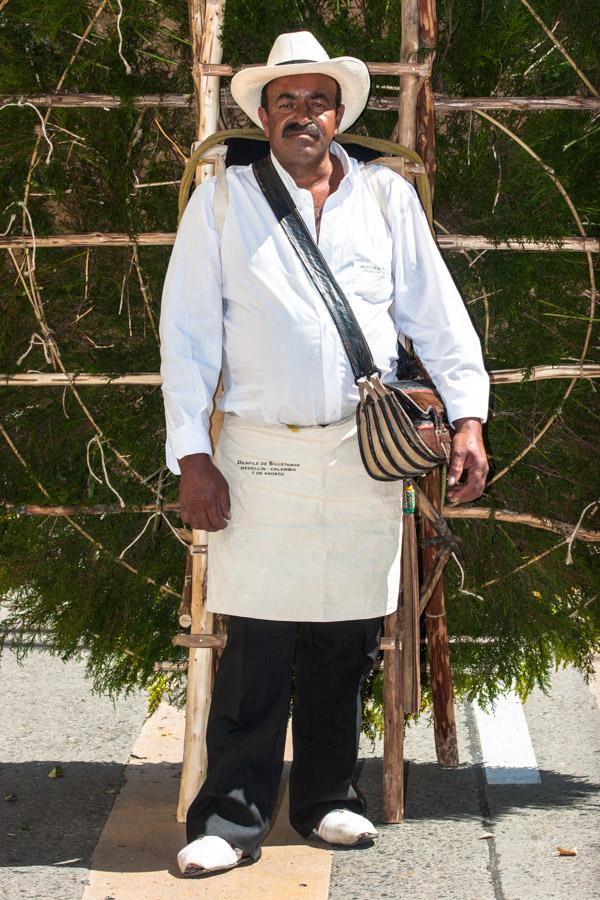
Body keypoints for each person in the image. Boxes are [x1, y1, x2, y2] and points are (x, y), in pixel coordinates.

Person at [159, 31, 489, 878]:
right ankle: (229, 820)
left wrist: (470, 417)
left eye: (317, 102)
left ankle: (328, 801)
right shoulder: (224, 201)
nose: (302, 116)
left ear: (339, 113)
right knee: (260, 642)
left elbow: (437, 316)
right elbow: (188, 337)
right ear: (263, 116)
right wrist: (193, 456)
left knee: (345, 638)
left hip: (360, 456)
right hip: (260, 455)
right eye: (285, 103)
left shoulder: (384, 198)